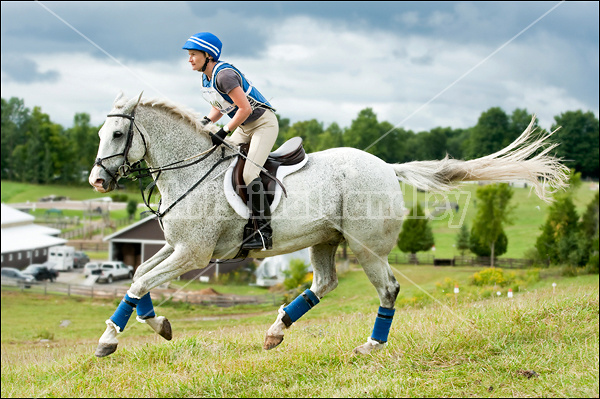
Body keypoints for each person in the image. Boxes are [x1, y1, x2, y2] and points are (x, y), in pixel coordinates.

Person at [183, 32, 278, 250]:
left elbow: (244, 108)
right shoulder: (206, 77)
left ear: (208, 55)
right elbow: (220, 105)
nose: (189, 59)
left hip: (263, 124)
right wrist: (206, 121)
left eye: (193, 54)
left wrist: (224, 131)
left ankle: (264, 233)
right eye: (189, 55)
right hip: (244, 126)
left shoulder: (224, 75)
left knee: (249, 174)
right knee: (223, 164)